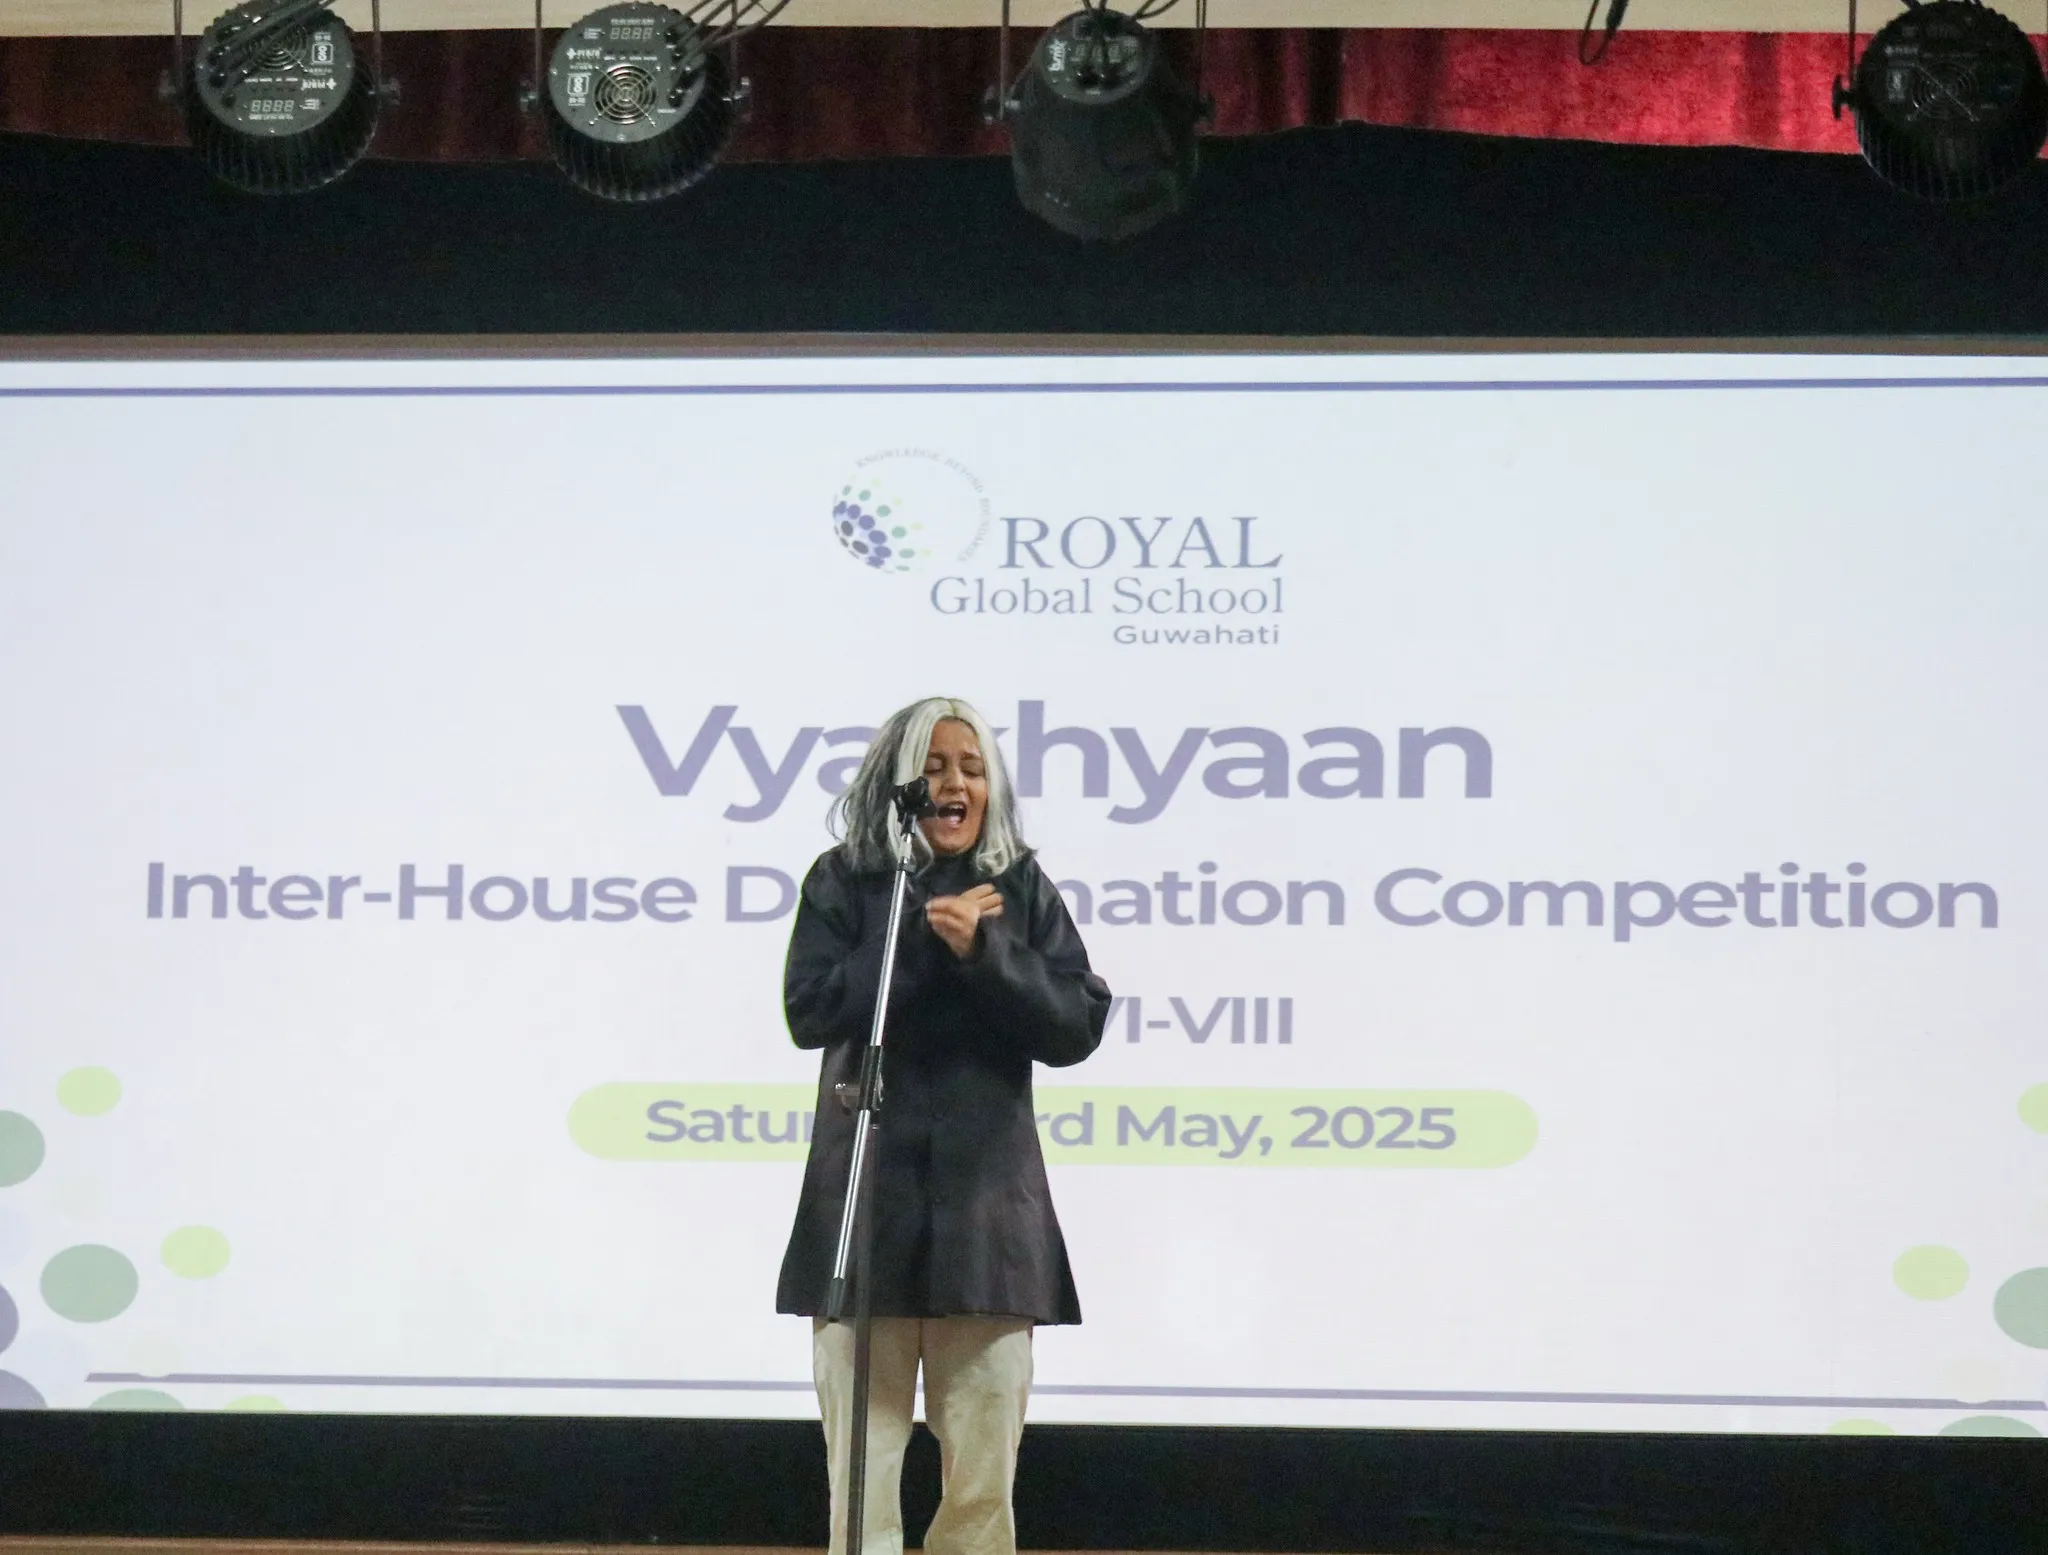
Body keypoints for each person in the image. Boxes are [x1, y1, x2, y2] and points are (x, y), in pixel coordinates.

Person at [777, 696, 1111, 1555]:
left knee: (980, 1484)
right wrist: (915, 935)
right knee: (862, 1477)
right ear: (897, 784)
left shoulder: (1018, 887)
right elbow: (809, 1009)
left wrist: (984, 951)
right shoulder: (844, 881)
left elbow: (1076, 1022)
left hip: (987, 1228)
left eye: (971, 768)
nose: (955, 783)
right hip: (865, 1217)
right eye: (933, 768)